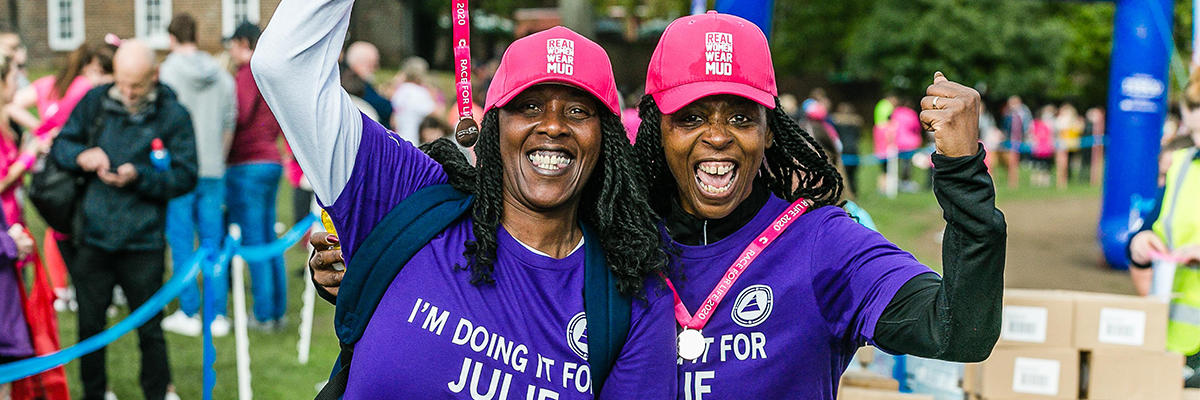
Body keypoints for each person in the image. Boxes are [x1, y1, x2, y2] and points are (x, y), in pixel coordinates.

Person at [311, 12, 1005, 400]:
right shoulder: (604, 226)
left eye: (742, 116)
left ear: (771, 130)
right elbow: (489, 244)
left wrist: (962, 178)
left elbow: (960, 332)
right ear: (654, 128)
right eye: (691, 116)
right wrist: (370, 260)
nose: (717, 139)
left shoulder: (824, 245)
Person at [253, 0, 675, 398]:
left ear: (608, 140)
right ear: (492, 125)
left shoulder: (627, 295)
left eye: (579, 112)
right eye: (528, 107)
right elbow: (285, 66)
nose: (553, 126)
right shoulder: (408, 194)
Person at [49, 39, 197, 400]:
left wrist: (140, 176)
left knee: (149, 327)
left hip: (142, 241)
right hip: (93, 238)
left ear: (155, 76)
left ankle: (158, 392)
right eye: (123, 83)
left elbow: (185, 175)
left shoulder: (173, 114)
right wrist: (83, 155)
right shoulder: (95, 102)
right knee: (90, 327)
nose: (129, 92)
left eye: (138, 85)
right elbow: (60, 146)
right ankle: (94, 393)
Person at [157, 13, 236, 337]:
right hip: (214, 167)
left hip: (180, 168)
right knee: (212, 242)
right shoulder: (222, 75)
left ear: (172, 38)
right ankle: (216, 315)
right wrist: (219, 157)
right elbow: (230, 123)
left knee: (180, 242)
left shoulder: (167, 72)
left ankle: (189, 311)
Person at [1128, 70, 1200, 387]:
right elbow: (1149, 229)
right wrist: (1140, 244)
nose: (1197, 141)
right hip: (1176, 340)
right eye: (1194, 132)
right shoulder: (1181, 165)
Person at [225, 21, 288, 330]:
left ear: (242, 42)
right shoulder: (270, 74)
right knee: (269, 239)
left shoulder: (247, 73)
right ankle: (277, 309)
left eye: (232, 45)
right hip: (271, 161)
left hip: (247, 164)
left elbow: (236, 113)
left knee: (255, 241)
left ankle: (263, 314)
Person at [389, 56, 437, 145]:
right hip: (414, 140)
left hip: (399, 137)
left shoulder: (400, 91)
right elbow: (435, 113)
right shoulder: (420, 92)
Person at [343, 41, 392, 124]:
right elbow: (384, 108)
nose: (376, 68)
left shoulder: (346, 77)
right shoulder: (354, 83)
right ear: (360, 63)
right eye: (373, 64)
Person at [831, 102, 864, 197]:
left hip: (843, 150)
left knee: (843, 174)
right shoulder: (856, 122)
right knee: (853, 175)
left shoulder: (837, 122)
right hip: (854, 149)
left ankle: (846, 193)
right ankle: (854, 193)